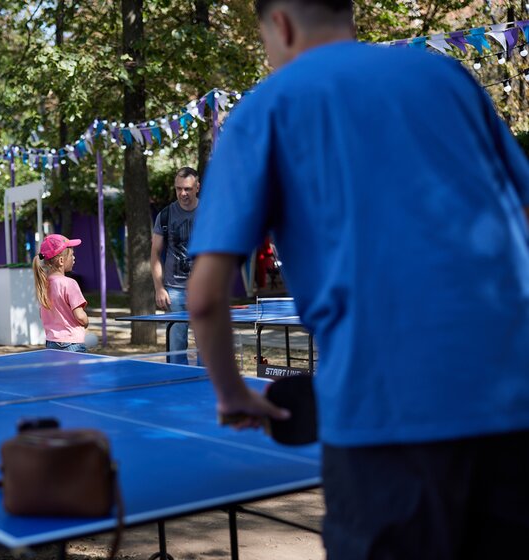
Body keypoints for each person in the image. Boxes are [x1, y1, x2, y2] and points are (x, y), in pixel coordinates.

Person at [187, 1, 529, 558]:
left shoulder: (264, 108)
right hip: (513, 407)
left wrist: (232, 393)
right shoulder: (443, 74)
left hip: (383, 424)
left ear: (282, 25)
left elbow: (205, 296)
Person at [150, 166, 200, 364]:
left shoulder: (210, 212)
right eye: (179, 188)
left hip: (203, 289)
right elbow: (154, 253)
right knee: (176, 344)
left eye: (187, 189)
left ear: (197, 187)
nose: (183, 193)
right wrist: (159, 288)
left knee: (206, 342)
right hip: (174, 290)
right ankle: (177, 383)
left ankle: (206, 383)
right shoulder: (165, 215)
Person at [32, 234, 89, 353]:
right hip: (72, 343)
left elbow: (42, 314)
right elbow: (80, 316)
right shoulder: (70, 283)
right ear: (61, 260)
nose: (74, 258)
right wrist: (86, 321)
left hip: (51, 342)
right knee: (77, 372)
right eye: (72, 255)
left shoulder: (44, 284)